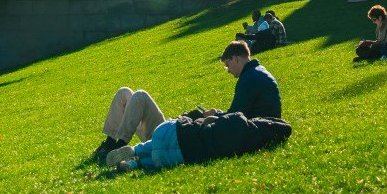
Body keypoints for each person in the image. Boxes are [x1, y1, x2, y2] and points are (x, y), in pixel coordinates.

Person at [93, 41, 280, 162]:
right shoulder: (256, 75)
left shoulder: (249, 80)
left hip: (170, 137)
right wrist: (216, 114)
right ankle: (111, 141)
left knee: (139, 95)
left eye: (227, 65)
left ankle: (118, 146)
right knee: (125, 92)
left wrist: (213, 116)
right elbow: (238, 116)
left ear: (236, 59)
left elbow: (237, 119)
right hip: (172, 133)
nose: (228, 70)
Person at [106, 111, 292, 172]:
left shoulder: (238, 119)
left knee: (153, 143)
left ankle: (134, 150)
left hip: (173, 132)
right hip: (184, 154)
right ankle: (135, 164)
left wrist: (209, 116)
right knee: (157, 159)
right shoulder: (243, 148)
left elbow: (209, 122)